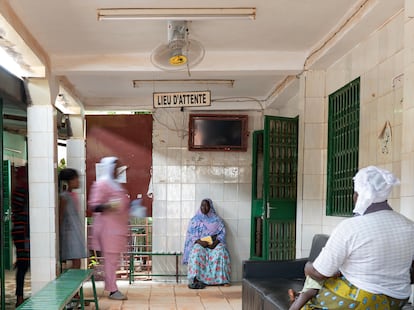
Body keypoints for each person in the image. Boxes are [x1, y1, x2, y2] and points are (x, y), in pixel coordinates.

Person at [296, 166, 414, 309]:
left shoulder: (350, 227)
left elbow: (319, 273)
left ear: (358, 195)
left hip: (366, 299)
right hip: (398, 299)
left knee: (311, 301)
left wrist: (308, 266)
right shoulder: (409, 225)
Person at [88, 156, 130, 300]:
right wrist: (109, 205)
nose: (118, 170)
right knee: (111, 260)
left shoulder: (116, 185)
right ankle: (112, 289)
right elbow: (94, 205)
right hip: (108, 229)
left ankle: (112, 287)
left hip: (117, 229)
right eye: (116, 167)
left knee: (114, 260)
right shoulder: (102, 184)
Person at [183, 198, 231, 289]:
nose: (204, 207)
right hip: (201, 244)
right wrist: (200, 242)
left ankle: (223, 280)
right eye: (202, 205)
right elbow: (191, 235)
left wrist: (215, 243)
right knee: (196, 251)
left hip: (214, 244)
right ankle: (197, 279)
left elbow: (222, 233)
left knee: (222, 251)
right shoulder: (195, 220)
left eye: (206, 205)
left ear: (210, 207)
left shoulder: (217, 220)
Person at [58, 168, 87, 270]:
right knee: (75, 261)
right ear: (69, 181)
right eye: (75, 179)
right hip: (69, 231)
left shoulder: (72, 195)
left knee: (77, 260)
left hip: (75, 230)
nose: (78, 181)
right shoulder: (64, 197)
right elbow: (61, 216)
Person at [11, 166, 30, 307]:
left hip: (23, 233)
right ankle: (19, 297)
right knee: (23, 265)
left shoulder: (21, 190)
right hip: (22, 233)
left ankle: (20, 297)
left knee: (23, 264)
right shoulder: (20, 191)